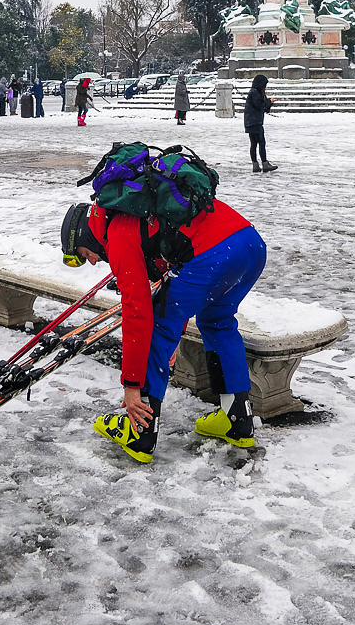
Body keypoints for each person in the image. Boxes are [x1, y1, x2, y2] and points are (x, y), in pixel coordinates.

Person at [60, 195, 267, 464]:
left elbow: (138, 312)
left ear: (87, 238)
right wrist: (176, 332)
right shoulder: (135, 216)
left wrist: (132, 385)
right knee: (217, 322)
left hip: (213, 252)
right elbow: (173, 278)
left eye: (85, 254)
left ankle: (139, 432)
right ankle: (236, 419)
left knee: (155, 326)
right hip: (249, 244)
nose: (91, 261)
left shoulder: (118, 234)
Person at [244, 74, 277, 172]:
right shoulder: (255, 93)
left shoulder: (255, 92)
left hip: (251, 122)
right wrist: (269, 102)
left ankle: (255, 165)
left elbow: (263, 107)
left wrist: (269, 103)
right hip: (255, 122)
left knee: (254, 144)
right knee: (261, 143)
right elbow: (259, 105)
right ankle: (264, 164)